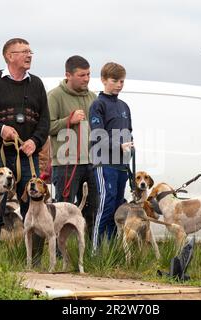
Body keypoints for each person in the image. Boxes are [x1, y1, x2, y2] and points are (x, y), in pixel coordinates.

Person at [0, 38, 50, 262]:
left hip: (27, 157)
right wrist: (1, 130)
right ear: (9, 56)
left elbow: (45, 121)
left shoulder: (36, 84)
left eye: (31, 51)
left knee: (35, 205)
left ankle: (35, 262)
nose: (29, 55)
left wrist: (35, 142)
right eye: (24, 51)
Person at [48, 55, 98, 237]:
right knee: (64, 211)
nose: (86, 79)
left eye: (89, 74)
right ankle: (61, 255)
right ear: (68, 75)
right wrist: (68, 120)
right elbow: (46, 126)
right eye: (82, 75)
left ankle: (90, 252)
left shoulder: (93, 97)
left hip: (91, 163)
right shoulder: (54, 96)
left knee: (94, 208)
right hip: (65, 164)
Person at [89, 62, 133, 252]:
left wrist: (130, 148)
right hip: (104, 163)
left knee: (117, 207)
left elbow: (128, 132)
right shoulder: (98, 104)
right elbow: (97, 135)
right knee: (106, 205)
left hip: (122, 165)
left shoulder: (124, 106)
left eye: (122, 81)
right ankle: (95, 251)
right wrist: (117, 146)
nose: (119, 84)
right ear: (104, 80)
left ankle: (112, 251)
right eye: (115, 80)